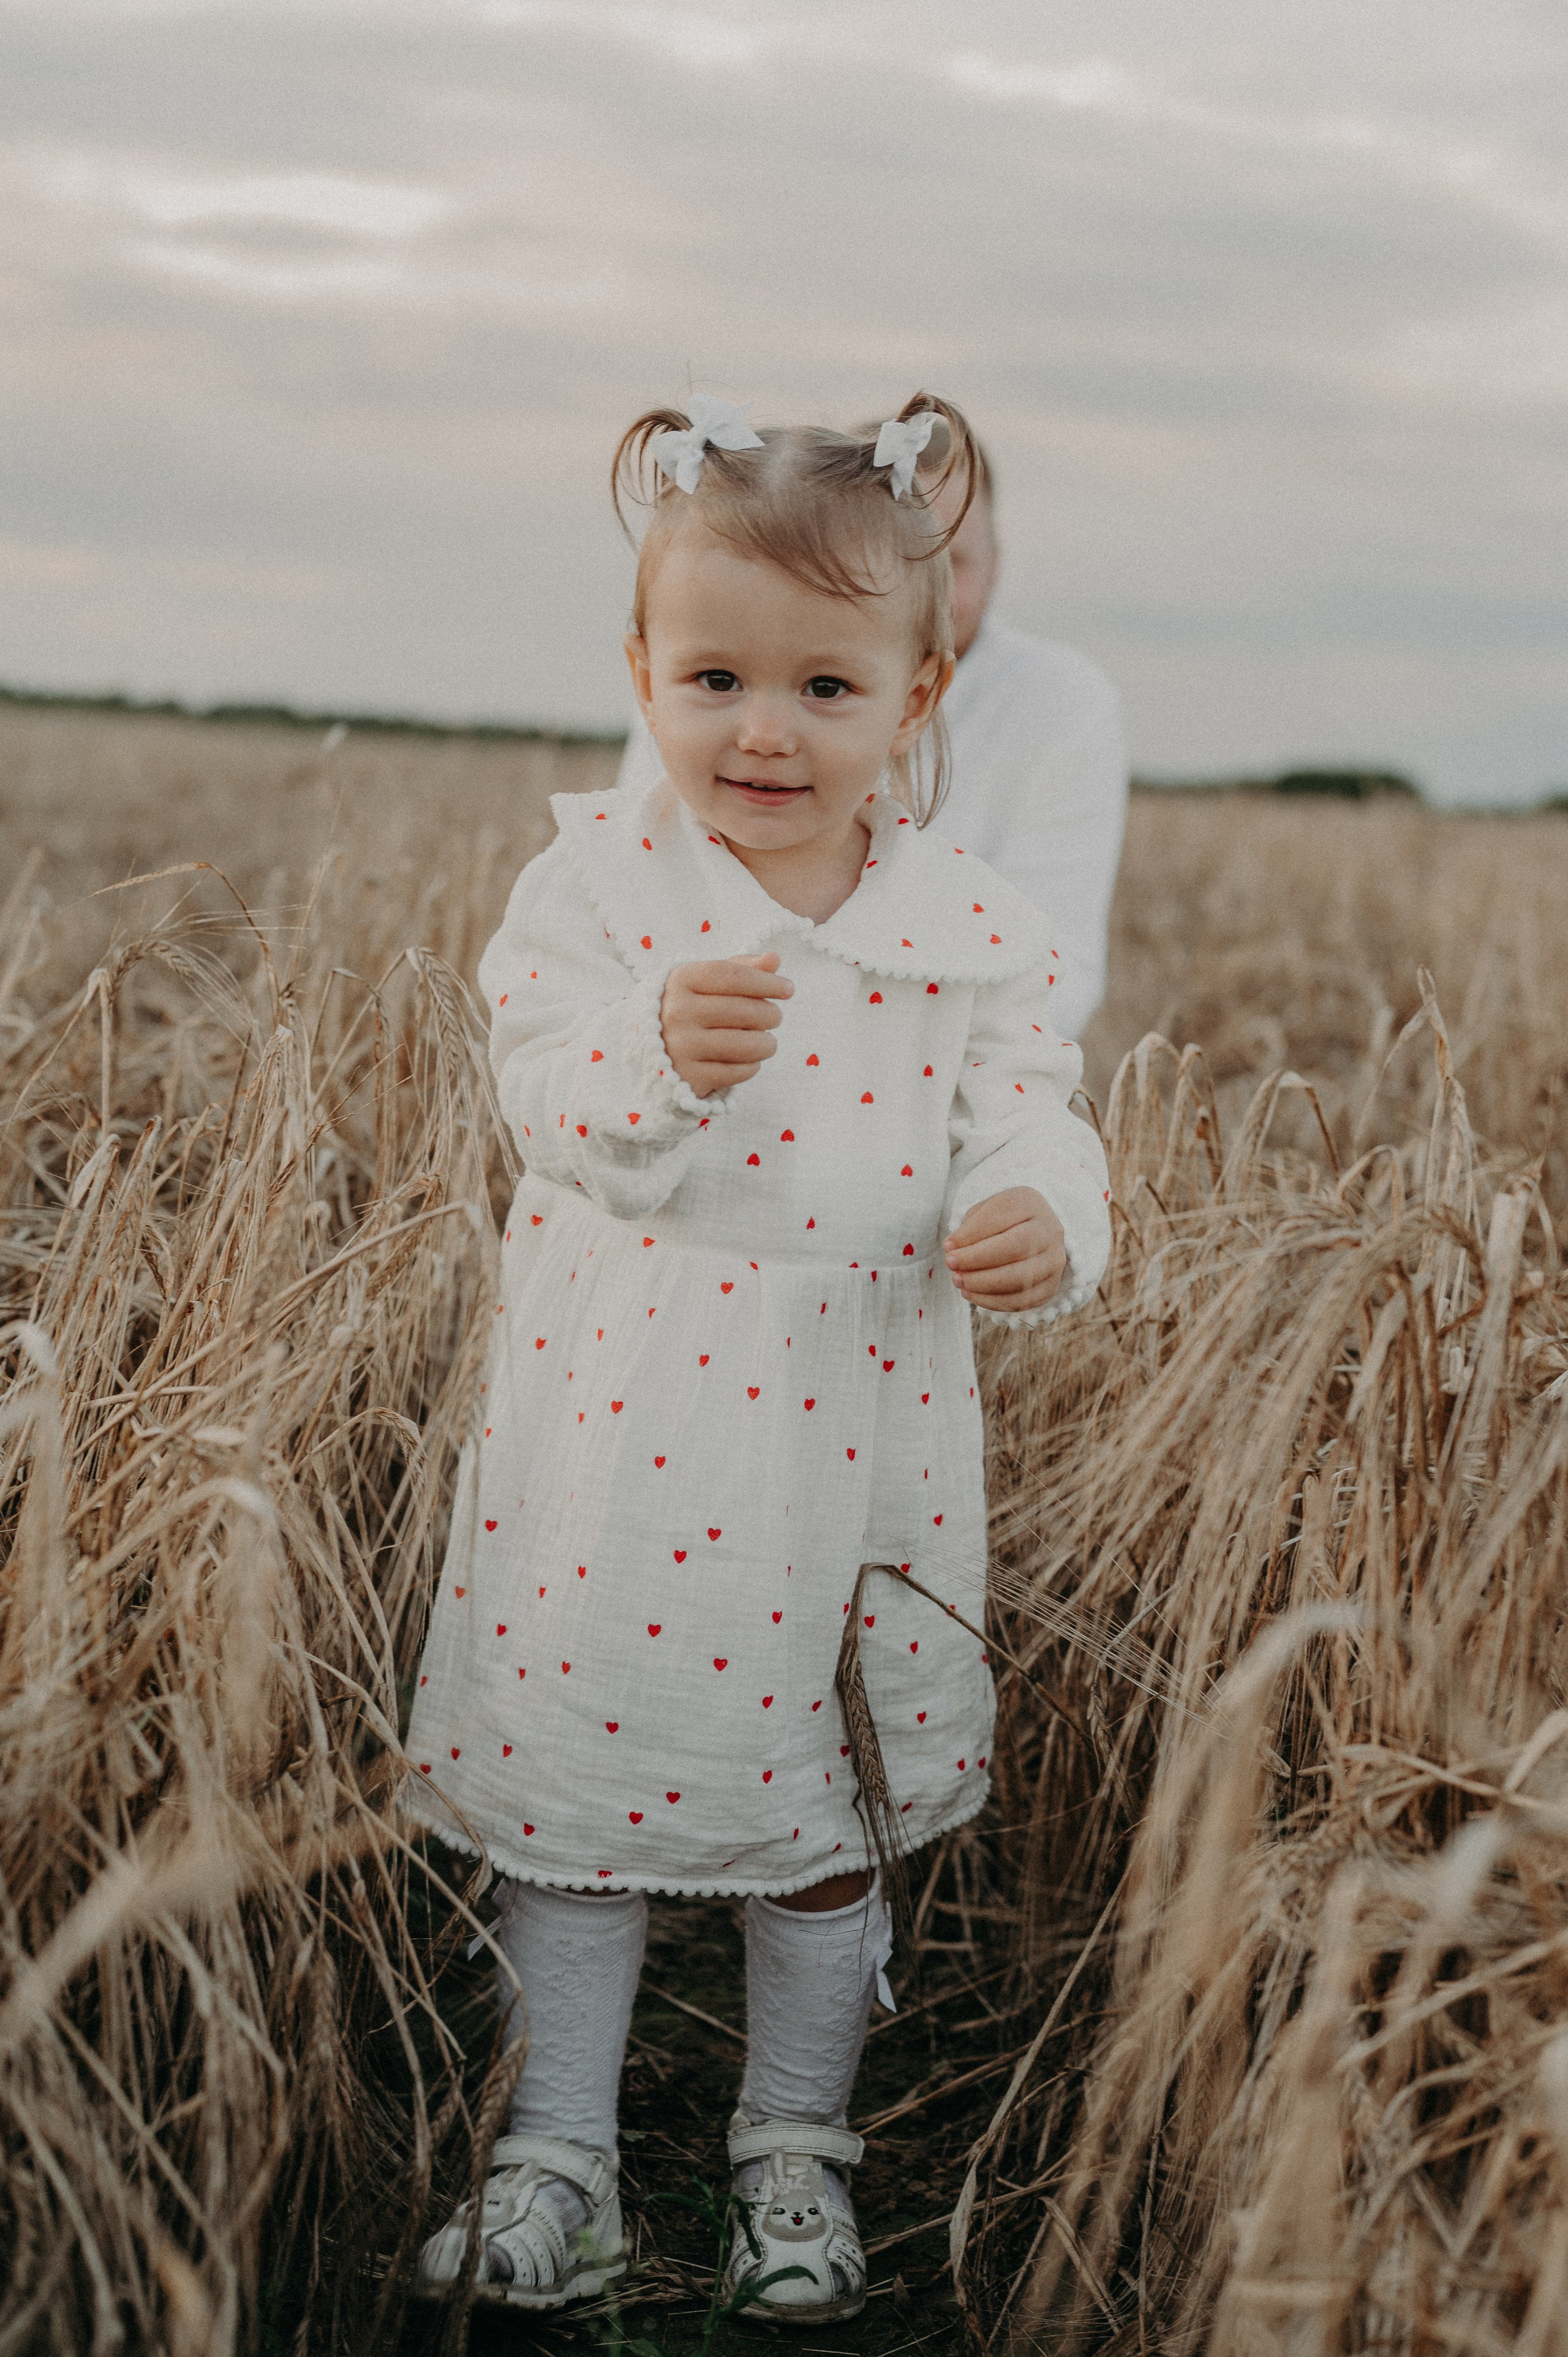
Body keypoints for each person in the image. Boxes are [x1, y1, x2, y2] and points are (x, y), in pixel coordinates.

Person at [405, 393, 1112, 2323]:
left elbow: (1031, 1107)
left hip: (851, 1435)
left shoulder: (962, 928)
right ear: (641, 670)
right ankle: (558, 2152)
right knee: (578, 1801)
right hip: (622, 1423)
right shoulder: (597, 892)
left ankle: (793, 2142)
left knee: (823, 1809)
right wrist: (650, 1051)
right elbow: (541, 1095)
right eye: (714, 678)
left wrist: (1042, 1210)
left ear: (917, 693)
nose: (764, 731)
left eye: (824, 686)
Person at [612, 425, 1129, 1038]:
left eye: (951, 560)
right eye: (720, 680)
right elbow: (645, 888)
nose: (764, 736)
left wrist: (862, 1052)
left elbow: (1054, 969)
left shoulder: (1064, 697)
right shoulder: (702, 698)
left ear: (996, 563)